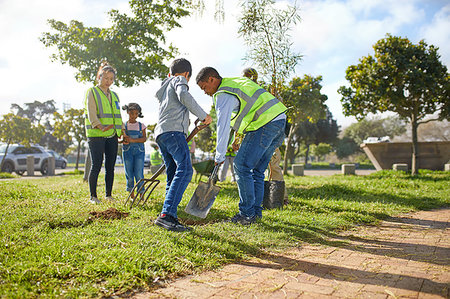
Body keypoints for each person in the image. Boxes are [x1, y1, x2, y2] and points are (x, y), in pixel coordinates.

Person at [196, 67, 287, 225]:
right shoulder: (236, 83)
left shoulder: (223, 94)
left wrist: (219, 155)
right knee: (258, 171)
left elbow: (222, 126)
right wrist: (232, 140)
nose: (205, 92)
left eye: (204, 87)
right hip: (279, 121)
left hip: (264, 123)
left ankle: (246, 214)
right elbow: (235, 121)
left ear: (211, 79)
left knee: (241, 165)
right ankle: (255, 214)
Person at [154, 58, 212, 232]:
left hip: (162, 134)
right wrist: (203, 115)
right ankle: (167, 215)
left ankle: (168, 213)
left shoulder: (164, 88)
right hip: (173, 133)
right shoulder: (179, 80)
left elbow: (175, 108)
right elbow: (184, 95)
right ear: (186, 74)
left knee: (173, 173)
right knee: (185, 170)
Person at [242, 67, 289, 204]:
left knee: (273, 165)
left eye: (247, 76)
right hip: (256, 134)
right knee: (258, 168)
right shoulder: (246, 92)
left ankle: (280, 197)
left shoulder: (264, 92)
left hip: (269, 132)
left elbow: (279, 111)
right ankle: (261, 199)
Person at [84, 62, 123, 204]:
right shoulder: (92, 92)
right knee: (96, 164)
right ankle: (93, 196)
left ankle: (108, 195)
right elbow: (91, 111)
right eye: (106, 78)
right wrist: (99, 126)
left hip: (112, 134)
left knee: (110, 166)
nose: (109, 82)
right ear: (99, 77)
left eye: (111, 79)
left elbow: (117, 114)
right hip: (96, 135)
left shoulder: (115, 95)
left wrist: (120, 130)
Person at [121, 103, 147, 199]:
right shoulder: (124, 125)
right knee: (129, 173)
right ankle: (132, 196)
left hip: (139, 152)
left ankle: (141, 195)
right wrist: (124, 139)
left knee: (139, 173)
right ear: (128, 112)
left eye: (136, 113)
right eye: (132, 113)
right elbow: (121, 138)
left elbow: (144, 139)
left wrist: (132, 140)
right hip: (127, 151)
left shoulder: (141, 126)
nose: (134, 116)